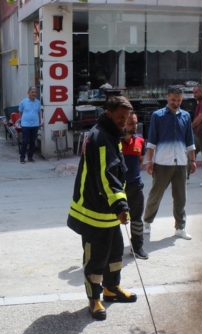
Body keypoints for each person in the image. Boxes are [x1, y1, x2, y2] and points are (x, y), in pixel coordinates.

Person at [67, 96, 138, 321]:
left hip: (107, 211)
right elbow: (106, 175)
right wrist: (120, 204)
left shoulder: (110, 133)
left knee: (115, 252)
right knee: (95, 259)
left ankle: (111, 288)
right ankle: (94, 299)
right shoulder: (99, 137)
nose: (123, 122)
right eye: (120, 117)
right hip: (93, 211)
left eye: (126, 118)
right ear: (108, 113)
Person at [142, 85, 196, 240]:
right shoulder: (157, 116)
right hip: (162, 163)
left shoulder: (185, 116)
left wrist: (192, 161)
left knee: (181, 197)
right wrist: (149, 161)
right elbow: (151, 141)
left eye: (178, 100)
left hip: (181, 163)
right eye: (173, 99)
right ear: (167, 98)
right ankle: (146, 222)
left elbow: (189, 141)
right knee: (156, 195)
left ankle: (180, 227)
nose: (176, 102)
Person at [121, 112, 148, 260]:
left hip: (135, 186)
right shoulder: (114, 142)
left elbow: (140, 161)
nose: (134, 126)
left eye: (136, 123)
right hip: (118, 188)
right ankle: (114, 249)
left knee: (137, 219)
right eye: (131, 123)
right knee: (113, 220)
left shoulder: (140, 141)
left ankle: (137, 248)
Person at [18, 86, 41, 163]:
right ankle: (22, 157)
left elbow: (38, 112)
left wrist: (40, 122)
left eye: (35, 92)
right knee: (25, 141)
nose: (34, 94)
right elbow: (20, 112)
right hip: (26, 125)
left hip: (35, 125)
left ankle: (30, 157)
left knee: (33, 141)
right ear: (28, 93)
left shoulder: (38, 102)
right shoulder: (23, 102)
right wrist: (22, 121)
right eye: (32, 92)